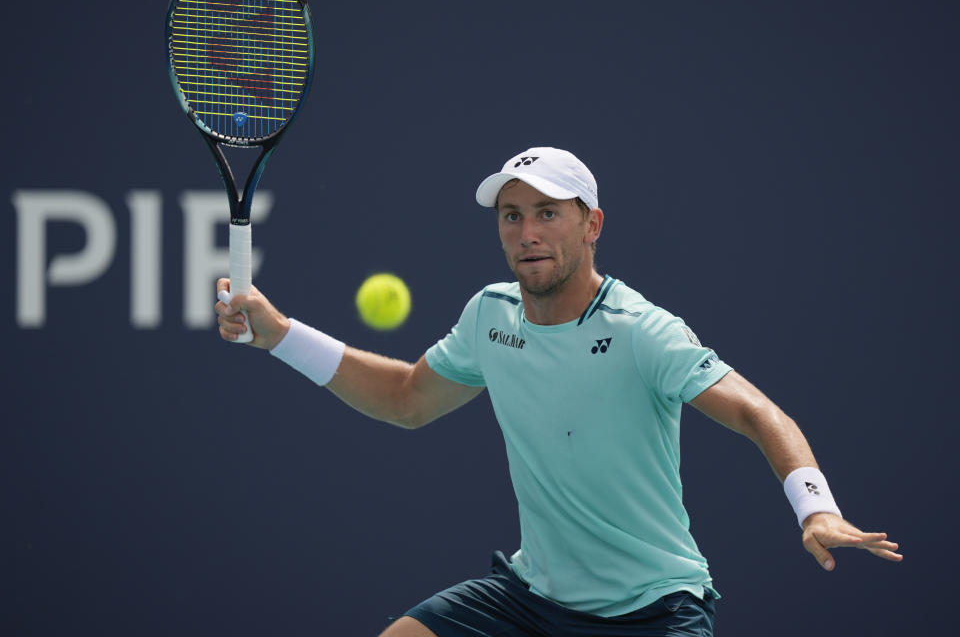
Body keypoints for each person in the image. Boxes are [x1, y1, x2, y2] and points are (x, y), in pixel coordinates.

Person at [215, 147, 902, 637]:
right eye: (511, 216)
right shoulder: (490, 315)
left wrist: (816, 509)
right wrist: (278, 336)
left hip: (655, 612)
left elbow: (759, 413)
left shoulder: (642, 331)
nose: (527, 233)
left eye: (547, 213)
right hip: (531, 599)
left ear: (591, 224)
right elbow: (405, 398)